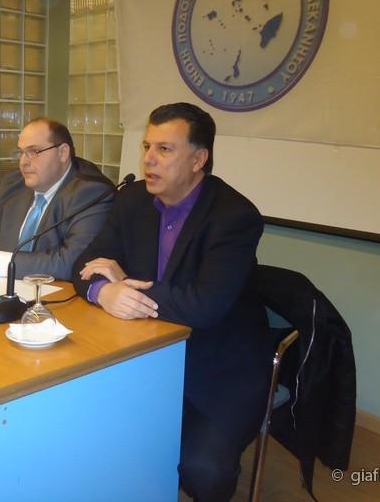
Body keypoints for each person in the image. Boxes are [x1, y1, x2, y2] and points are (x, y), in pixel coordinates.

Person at [71, 102, 272, 501]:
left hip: (216, 366)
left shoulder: (234, 217)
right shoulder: (131, 200)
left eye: (164, 149)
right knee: (92, 434)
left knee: (203, 470)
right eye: (147, 146)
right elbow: (84, 265)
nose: (149, 159)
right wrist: (103, 291)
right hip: (145, 355)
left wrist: (123, 283)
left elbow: (204, 305)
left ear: (199, 159)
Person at [0, 117, 115, 280]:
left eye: (33, 152)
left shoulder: (91, 193)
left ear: (63, 153)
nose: (23, 162)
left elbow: (73, 263)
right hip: (4, 288)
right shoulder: (14, 184)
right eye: (21, 153)